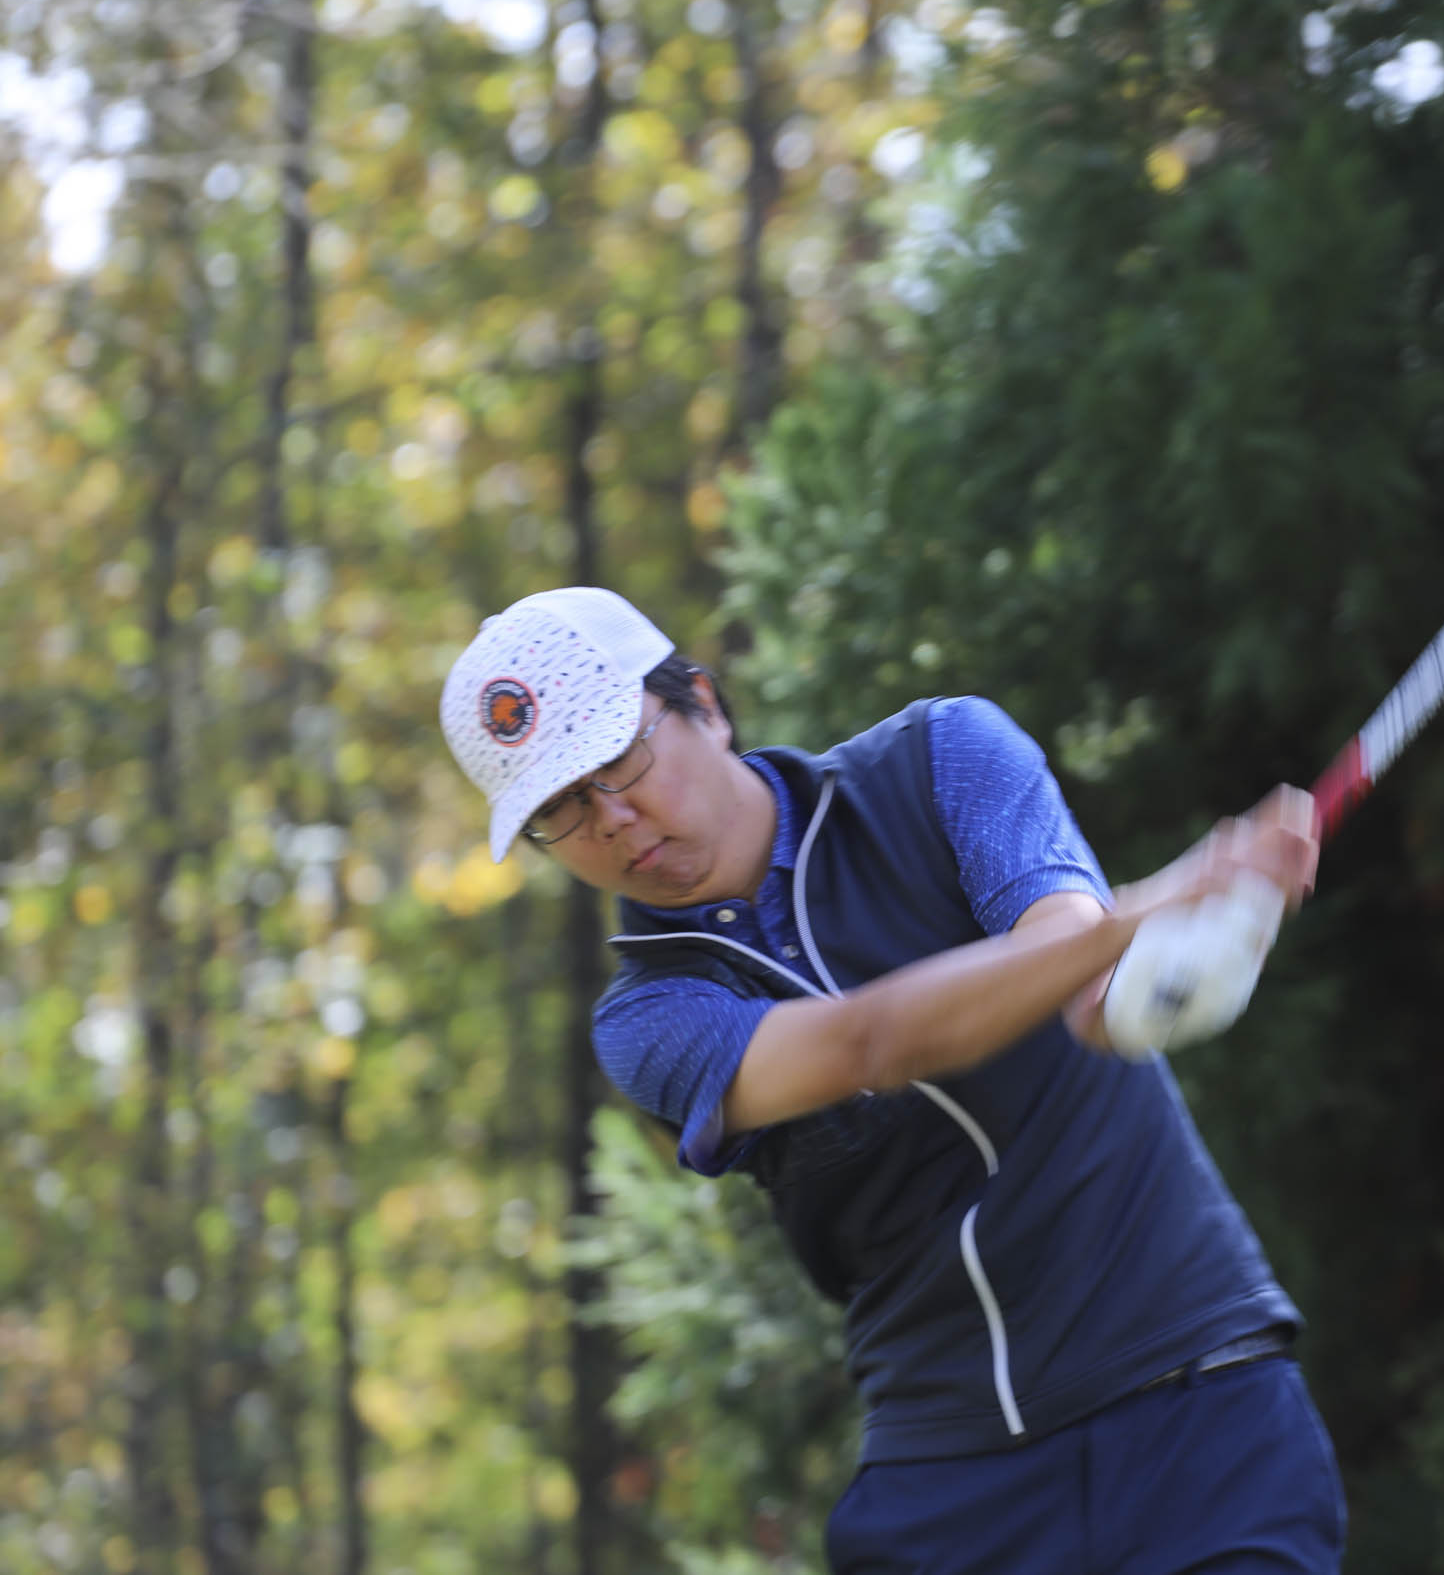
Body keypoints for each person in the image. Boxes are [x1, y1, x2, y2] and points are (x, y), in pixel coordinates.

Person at [441, 587, 1342, 1574]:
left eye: (618, 756)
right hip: (952, 1487)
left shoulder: (939, 759)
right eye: (559, 807)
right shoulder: (648, 1019)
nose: (610, 818)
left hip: (1199, 1408)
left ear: (704, 702)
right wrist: (1149, 910)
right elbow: (863, 1044)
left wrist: (1164, 951)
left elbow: (1071, 952)